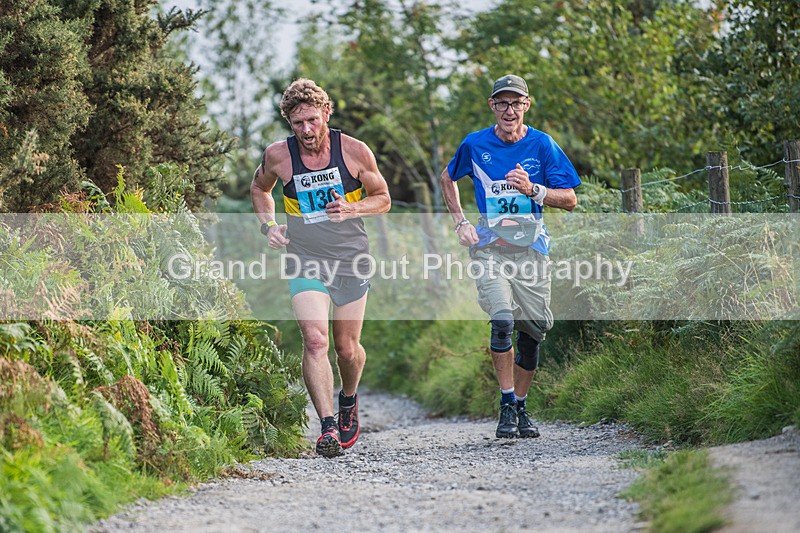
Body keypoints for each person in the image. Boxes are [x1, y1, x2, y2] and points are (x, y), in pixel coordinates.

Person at [251, 78, 391, 457]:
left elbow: (383, 198)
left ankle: (348, 399)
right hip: (304, 256)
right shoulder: (279, 156)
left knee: (347, 349)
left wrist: (352, 207)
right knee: (315, 339)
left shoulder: (355, 152)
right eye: (298, 124)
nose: (307, 131)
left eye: (312, 120)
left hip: (350, 255)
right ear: (289, 123)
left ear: (327, 113)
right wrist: (269, 226)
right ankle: (328, 426)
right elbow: (259, 189)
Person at [440, 74, 580, 439]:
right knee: (502, 321)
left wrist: (533, 189)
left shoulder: (543, 145)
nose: (508, 110)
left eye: (515, 103)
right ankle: (505, 405)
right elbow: (447, 177)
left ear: (526, 106)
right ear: (492, 106)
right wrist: (460, 224)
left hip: (532, 250)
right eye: (501, 103)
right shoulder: (475, 144)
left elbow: (570, 199)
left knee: (534, 334)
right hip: (489, 248)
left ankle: (520, 405)